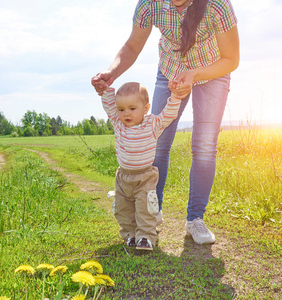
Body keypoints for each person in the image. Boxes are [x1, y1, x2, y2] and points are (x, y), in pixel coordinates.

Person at [92, 0, 239, 245]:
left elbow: (231, 59)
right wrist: (111, 73)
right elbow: (132, 45)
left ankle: (195, 219)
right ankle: (152, 212)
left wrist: (194, 74)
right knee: (157, 140)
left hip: (212, 72)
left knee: (204, 147)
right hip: (170, 70)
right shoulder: (149, 4)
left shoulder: (217, 5)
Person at [100, 81, 182, 250]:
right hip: (123, 177)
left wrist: (175, 96)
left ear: (145, 109)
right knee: (123, 209)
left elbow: (169, 114)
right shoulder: (118, 124)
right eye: (121, 109)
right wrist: (105, 89)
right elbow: (109, 107)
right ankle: (130, 235)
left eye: (132, 108)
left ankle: (145, 237)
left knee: (145, 209)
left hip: (145, 176)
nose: (126, 113)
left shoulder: (152, 124)